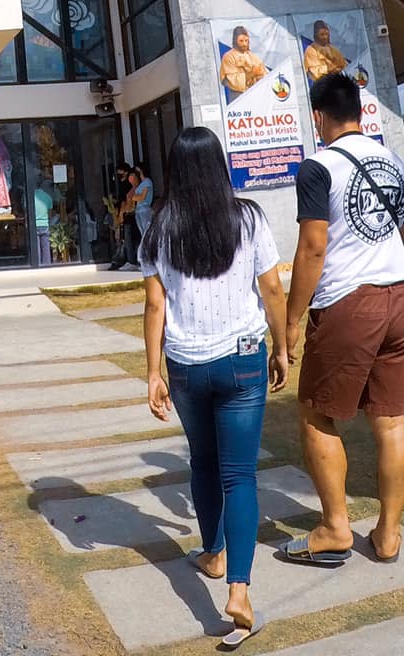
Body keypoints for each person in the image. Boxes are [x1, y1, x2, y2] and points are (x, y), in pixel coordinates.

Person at [140, 126, 287, 647]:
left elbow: (155, 305)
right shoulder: (249, 218)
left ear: (175, 171)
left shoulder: (159, 229)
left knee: (203, 461)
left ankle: (213, 552)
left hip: (185, 365)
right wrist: (282, 345)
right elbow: (272, 287)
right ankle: (239, 591)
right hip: (243, 360)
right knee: (239, 476)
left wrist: (153, 372)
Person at [284, 71, 404, 567]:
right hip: (398, 294)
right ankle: (389, 534)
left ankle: (335, 527)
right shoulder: (393, 161)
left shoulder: (318, 167)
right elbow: (399, 232)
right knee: (390, 418)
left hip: (348, 300)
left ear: (318, 116)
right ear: (359, 111)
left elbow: (313, 247)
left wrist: (292, 319)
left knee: (316, 411)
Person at [220, 26, 267, 98]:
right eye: (241, 41)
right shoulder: (228, 57)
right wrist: (251, 73)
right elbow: (231, 81)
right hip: (238, 96)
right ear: (235, 41)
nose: (244, 44)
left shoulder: (252, 56)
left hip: (254, 94)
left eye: (246, 40)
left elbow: (263, 74)